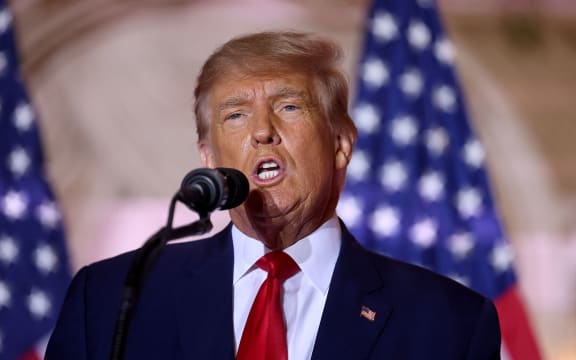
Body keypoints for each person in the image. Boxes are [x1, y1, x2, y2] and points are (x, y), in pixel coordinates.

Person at [46, 31, 501, 359]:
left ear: (341, 144)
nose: (263, 131)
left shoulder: (448, 323)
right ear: (209, 155)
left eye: (288, 107)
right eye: (236, 115)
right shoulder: (111, 299)